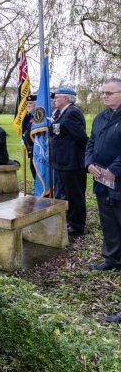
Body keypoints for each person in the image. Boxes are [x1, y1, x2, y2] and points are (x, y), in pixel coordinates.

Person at [85, 77, 121, 270]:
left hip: (117, 178)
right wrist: (89, 163)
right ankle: (112, 259)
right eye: (103, 93)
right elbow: (91, 142)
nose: (104, 96)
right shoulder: (100, 117)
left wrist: (114, 170)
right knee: (107, 219)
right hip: (101, 179)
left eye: (109, 93)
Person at [52, 87, 88, 235]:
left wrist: (84, 157)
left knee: (74, 195)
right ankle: (71, 220)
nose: (55, 100)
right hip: (63, 161)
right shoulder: (62, 113)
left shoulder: (72, 113)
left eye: (57, 97)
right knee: (67, 193)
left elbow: (81, 137)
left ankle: (77, 225)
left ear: (66, 99)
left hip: (72, 163)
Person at [21, 94, 37, 181]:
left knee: (38, 173)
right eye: (27, 103)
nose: (28, 105)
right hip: (32, 150)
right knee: (33, 170)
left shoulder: (39, 117)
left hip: (38, 151)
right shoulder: (31, 116)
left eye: (30, 103)